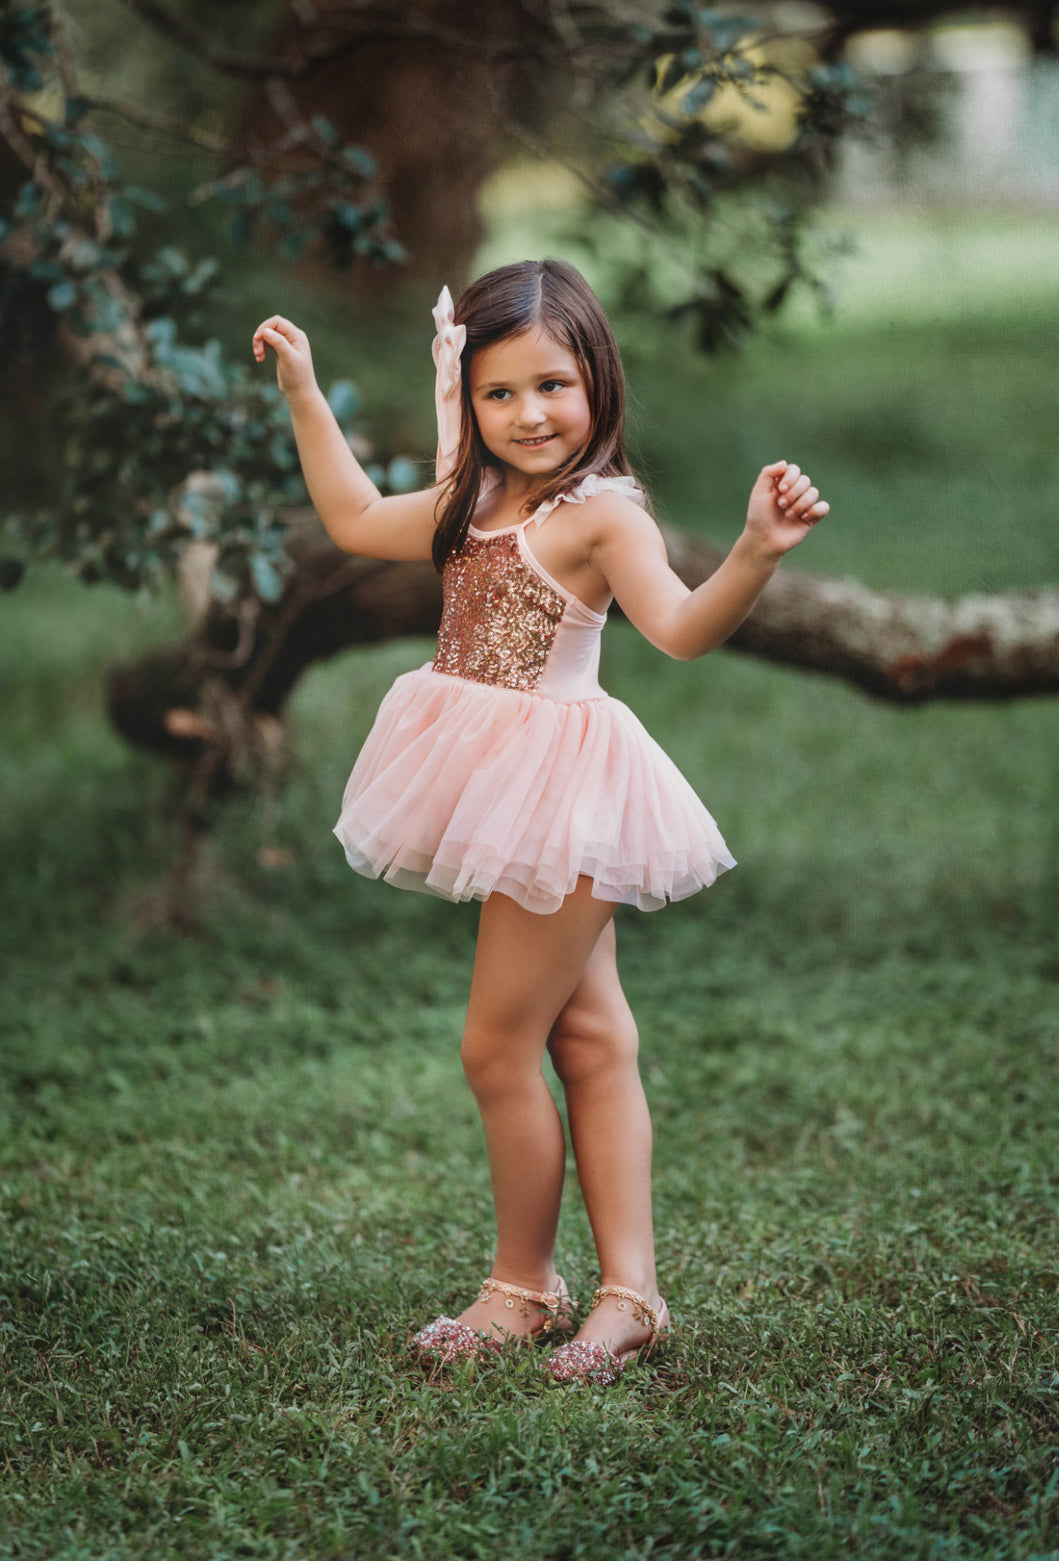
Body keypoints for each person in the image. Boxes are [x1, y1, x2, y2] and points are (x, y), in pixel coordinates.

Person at [252, 259, 828, 1385]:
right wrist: (307, 396)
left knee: (497, 1044)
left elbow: (679, 629)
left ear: (598, 382)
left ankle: (524, 1287)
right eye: (498, 392)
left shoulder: (600, 514)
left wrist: (755, 550)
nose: (528, 415)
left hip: (562, 791)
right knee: (590, 1036)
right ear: (467, 396)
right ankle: (632, 1295)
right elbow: (359, 516)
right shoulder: (478, 497)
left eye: (553, 385)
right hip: (508, 784)